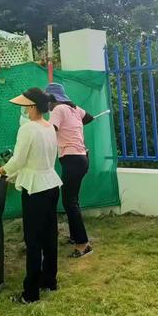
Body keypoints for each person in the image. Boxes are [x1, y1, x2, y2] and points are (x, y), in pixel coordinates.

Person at [0, 88, 62, 304]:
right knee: (49, 235)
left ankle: (30, 293)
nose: (24, 109)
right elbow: (38, 160)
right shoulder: (49, 128)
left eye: (26, 106)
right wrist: (14, 174)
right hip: (51, 185)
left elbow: (18, 160)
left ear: (33, 107)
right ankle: (49, 280)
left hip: (35, 190)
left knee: (33, 240)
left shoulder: (28, 129)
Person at [45, 82, 94, 258]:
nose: (47, 105)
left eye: (47, 100)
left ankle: (83, 244)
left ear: (52, 99)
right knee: (72, 199)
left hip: (72, 159)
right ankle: (75, 236)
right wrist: (74, 126)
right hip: (82, 158)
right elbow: (90, 118)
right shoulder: (75, 109)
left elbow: (51, 131)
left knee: (69, 201)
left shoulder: (58, 110)